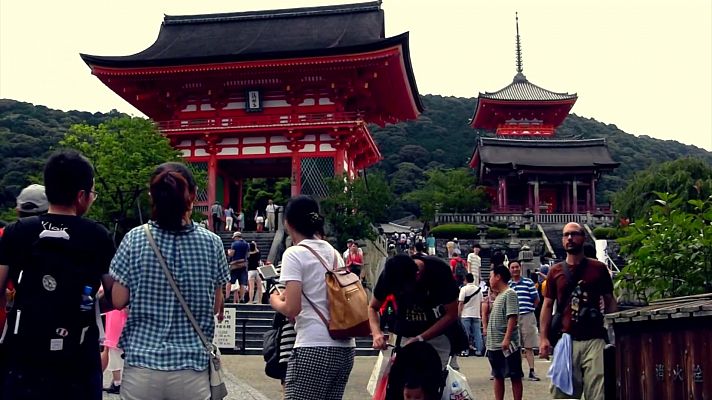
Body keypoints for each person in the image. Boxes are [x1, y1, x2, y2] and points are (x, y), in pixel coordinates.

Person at [0, 150, 116, 399]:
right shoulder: (97, 235)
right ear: (81, 196)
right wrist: (93, 302)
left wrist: (11, 305)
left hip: (24, 353)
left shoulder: (16, 231)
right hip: (78, 357)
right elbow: (117, 297)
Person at [109, 162, 229, 400]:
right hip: (191, 367)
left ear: (152, 195)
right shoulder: (212, 242)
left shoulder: (135, 239)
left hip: (142, 363)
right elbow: (217, 306)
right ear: (193, 195)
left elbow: (118, 300)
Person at [269, 195, 355, 399]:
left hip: (313, 346)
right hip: (344, 347)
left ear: (287, 223)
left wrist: (275, 299)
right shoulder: (334, 252)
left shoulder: (294, 253)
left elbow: (292, 309)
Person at [539, 222, 617, 400]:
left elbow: (610, 300)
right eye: (566, 235)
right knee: (561, 393)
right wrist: (543, 337)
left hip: (595, 338)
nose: (569, 238)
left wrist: (611, 329)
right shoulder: (555, 271)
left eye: (574, 234)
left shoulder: (598, 269)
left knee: (599, 392)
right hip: (566, 338)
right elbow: (547, 305)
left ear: (583, 237)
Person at [369, 254, 459, 373]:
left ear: (417, 276)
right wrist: (376, 333)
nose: (401, 293)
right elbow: (372, 307)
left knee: (434, 381)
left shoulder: (439, 271)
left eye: (404, 289)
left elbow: (451, 314)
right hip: (404, 336)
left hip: (438, 336)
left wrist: (420, 338)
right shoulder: (390, 275)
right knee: (399, 382)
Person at [486, 265, 523, 400]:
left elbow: (512, 316)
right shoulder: (499, 296)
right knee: (497, 375)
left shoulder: (510, 293)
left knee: (514, 375)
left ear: (498, 277)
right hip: (494, 343)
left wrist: (507, 338)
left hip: (506, 343)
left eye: (491, 276)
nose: (489, 280)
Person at [508, 260, 541, 381]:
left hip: (527, 314)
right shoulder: (509, 284)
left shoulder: (528, 282)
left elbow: (536, 299)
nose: (515, 269)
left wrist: (530, 308)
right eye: (513, 267)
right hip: (513, 317)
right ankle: (518, 370)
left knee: (529, 345)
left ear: (520, 268)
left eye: (517, 267)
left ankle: (531, 370)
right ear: (509, 269)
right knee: (516, 346)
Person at [101, 308, 128, 394]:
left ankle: (117, 384)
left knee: (114, 355)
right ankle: (118, 382)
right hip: (122, 322)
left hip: (115, 323)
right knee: (117, 355)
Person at [458, 273, 484, 357]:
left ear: (465, 279)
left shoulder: (464, 289)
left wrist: (459, 313)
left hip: (466, 314)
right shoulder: (479, 289)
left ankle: (465, 350)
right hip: (476, 314)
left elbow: (461, 302)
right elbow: (481, 302)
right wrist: (480, 312)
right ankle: (479, 350)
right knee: (477, 333)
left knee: (465, 333)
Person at [227, 231, 249, 303]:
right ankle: (242, 298)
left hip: (235, 265)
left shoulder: (234, 244)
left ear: (236, 237)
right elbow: (248, 255)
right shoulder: (246, 244)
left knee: (230, 281)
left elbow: (231, 254)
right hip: (243, 265)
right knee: (242, 282)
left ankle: (227, 297)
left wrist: (228, 252)